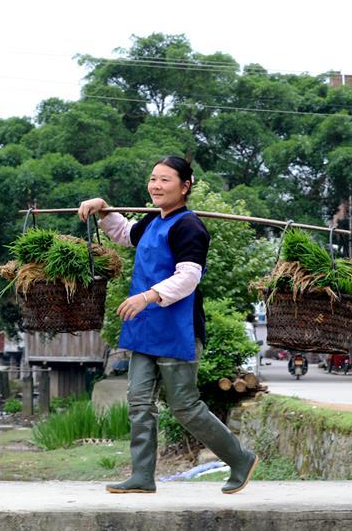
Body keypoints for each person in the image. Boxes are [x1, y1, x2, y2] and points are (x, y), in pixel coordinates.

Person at [78, 156, 257, 495]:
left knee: (185, 406)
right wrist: (103, 208)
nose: (155, 186)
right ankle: (142, 476)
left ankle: (240, 458)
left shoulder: (189, 227)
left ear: (185, 186)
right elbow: (124, 234)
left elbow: (188, 278)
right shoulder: (151, 221)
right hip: (145, 328)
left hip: (178, 328)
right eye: (153, 179)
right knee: (139, 400)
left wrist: (146, 297)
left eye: (164, 180)